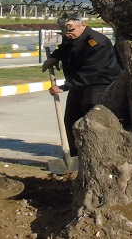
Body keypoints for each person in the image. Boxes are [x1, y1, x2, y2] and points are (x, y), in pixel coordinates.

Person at [42, 14, 123, 157]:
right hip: (79, 84)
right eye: (64, 31)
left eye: (71, 30)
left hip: (99, 85)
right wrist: (55, 57)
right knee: (71, 121)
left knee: (91, 122)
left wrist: (63, 87)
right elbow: (65, 47)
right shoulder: (70, 37)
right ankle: (74, 157)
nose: (67, 34)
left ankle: (99, 157)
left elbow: (91, 71)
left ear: (83, 25)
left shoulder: (96, 43)